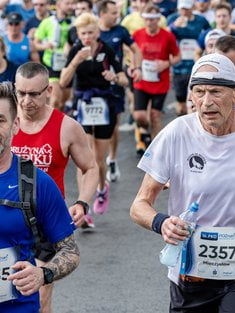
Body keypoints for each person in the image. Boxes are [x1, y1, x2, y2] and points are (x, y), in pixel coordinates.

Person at [130, 52, 235, 313]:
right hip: (190, 270)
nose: (206, 102)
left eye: (216, 92)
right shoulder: (176, 133)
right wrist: (162, 223)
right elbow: (140, 205)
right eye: (199, 92)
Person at [10, 62, 98, 313]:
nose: (27, 101)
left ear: (48, 90)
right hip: (7, 215)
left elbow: (90, 168)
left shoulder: (67, 127)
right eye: (21, 93)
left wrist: (82, 202)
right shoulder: (5, 123)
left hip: (45, 221)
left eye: (34, 94)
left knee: (38, 292)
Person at [0, 81, 79, 312]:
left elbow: (70, 251)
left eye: (0, 120)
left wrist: (42, 273)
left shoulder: (37, 183)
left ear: (15, 125)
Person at [60, 13, 128, 217]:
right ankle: (83, 204)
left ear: (97, 32)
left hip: (104, 104)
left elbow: (124, 79)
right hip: (84, 105)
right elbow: (63, 81)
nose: (87, 37)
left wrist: (114, 76)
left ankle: (101, 188)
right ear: (77, 34)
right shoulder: (75, 50)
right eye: (83, 33)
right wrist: (75, 61)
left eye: (91, 32)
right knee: (85, 159)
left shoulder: (106, 51)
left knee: (98, 159)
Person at [97, 0, 143, 182]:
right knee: (94, 127)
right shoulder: (93, 32)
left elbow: (136, 50)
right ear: (102, 14)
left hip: (116, 83)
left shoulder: (120, 31)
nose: (117, 16)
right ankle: (96, 162)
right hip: (93, 84)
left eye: (117, 12)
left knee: (114, 124)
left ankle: (113, 158)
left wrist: (137, 67)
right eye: (113, 13)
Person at [132, 5, 180, 146]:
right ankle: (144, 129)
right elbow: (132, 52)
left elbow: (178, 57)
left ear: (158, 19)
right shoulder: (137, 34)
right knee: (139, 115)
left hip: (160, 82)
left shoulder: (167, 36)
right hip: (142, 80)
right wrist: (134, 67)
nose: (150, 22)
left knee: (155, 116)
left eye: (153, 19)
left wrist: (166, 63)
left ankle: (155, 148)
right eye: (147, 19)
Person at [167, 0, 211, 115]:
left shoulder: (201, 20)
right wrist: (173, 26)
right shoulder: (172, 19)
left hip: (195, 66)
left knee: (194, 103)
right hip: (179, 67)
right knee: (181, 104)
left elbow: (209, 34)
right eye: (182, 9)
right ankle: (181, 125)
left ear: (192, 7)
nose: (184, 11)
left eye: (187, 8)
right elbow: (163, 36)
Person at [34, 0, 75, 111]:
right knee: (55, 101)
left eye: (72, 3)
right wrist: (46, 45)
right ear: (58, 5)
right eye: (68, 3)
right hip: (51, 64)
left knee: (63, 102)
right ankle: (52, 127)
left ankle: (60, 125)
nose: (71, 6)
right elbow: (36, 44)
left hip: (68, 65)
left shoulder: (75, 22)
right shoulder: (47, 22)